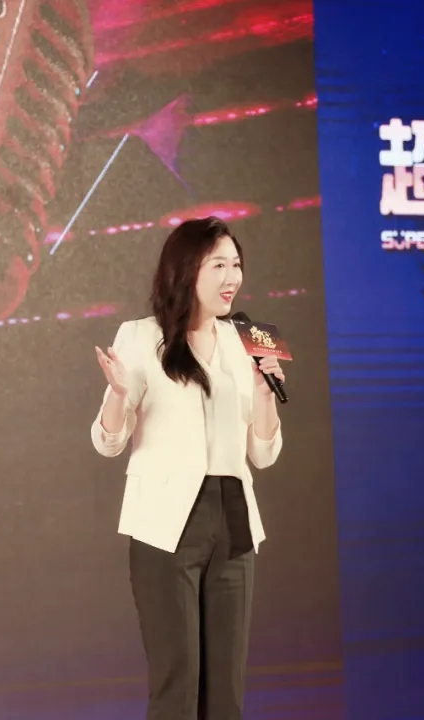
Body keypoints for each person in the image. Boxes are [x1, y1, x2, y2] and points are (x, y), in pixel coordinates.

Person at [90, 216, 286, 720]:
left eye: (236, 265)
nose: (231, 277)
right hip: (167, 521)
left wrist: (266, 394)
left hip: (235, 520)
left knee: (226, 693)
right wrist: (118, 395)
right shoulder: (140, 337)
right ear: (186, 270)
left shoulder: (251, 339)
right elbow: (108, 442)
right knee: (177, 684)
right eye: (218, 265)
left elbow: (263, 454)